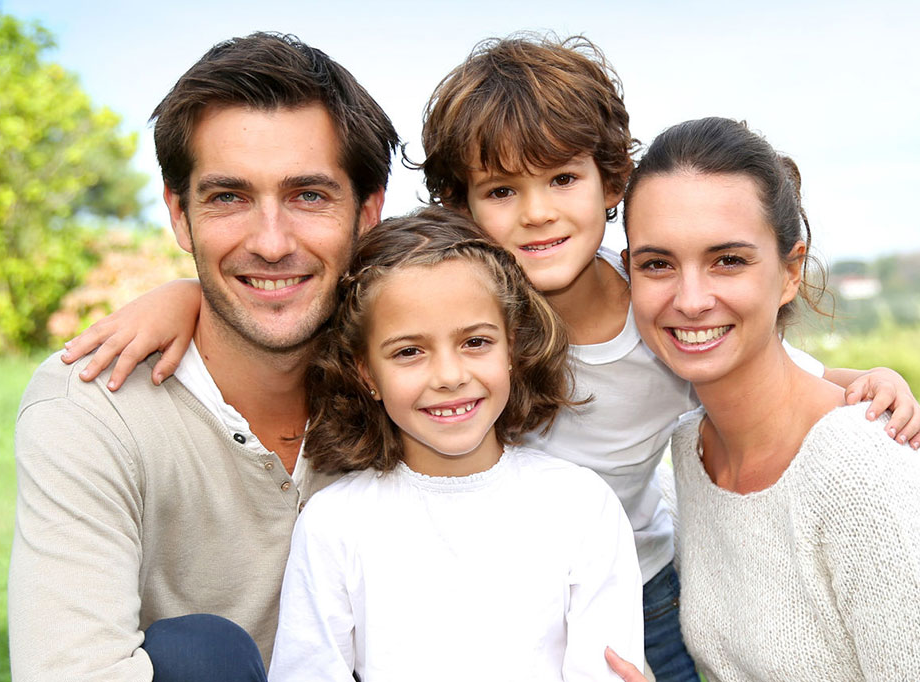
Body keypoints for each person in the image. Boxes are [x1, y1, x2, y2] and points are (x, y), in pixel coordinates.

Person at [63, 34, 920, 681]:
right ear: (461, 204)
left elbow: (745, 352)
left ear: (612, 184)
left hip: (640, 595)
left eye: (562, 180)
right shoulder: (451, 299)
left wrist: (859, 384)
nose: (537, 214)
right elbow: (326, 293)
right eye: (501, 191)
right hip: (453, 600)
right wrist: (180, 295)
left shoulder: (656, 311)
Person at [7, 32, 399, 682]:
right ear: (180, 217)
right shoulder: (90, 408)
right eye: (228, 198)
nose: (271, 243)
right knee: (195, 656)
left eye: (308, 195)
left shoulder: (415, 382)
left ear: (368, 214)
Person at [617, 117, 920, 681]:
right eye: (658, 264)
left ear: (791, 272)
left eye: (729, 260)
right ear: (629, 274)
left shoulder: (856, 464)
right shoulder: (691, 456)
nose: (691, 299)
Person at [270, 207, 642, 680]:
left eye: (475, 342)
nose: (449, 377)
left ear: (511, 346)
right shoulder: (333, 526)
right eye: (409, 352)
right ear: (367, 373)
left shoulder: (581, 507)